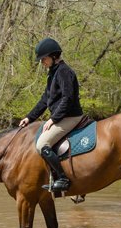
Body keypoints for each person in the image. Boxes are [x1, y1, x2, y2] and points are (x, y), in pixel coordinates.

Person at [19, 37, 84, 192]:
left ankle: (63, 179)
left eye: (44, 59)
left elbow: (67, 99)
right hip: (62, 116)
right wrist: (29, 117)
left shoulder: (64, 72)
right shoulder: (53, 73)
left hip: (70, 117)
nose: (42, 63)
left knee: (42, 144)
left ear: (54, 57)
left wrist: (53, 119)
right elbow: (45, 100)